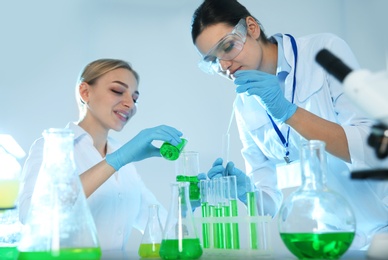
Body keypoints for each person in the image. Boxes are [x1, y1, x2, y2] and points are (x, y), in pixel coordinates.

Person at [191, 0, 388, 249]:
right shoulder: (244, 105)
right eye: (213, 61)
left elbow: (370, 147)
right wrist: (246, 192)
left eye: (228, 47)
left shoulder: (324, 51)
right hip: (333, 239)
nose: (225, 66)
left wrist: (288, 112)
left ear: (251, 28)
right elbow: (270, 202)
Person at [19, 59, 184, 250]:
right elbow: (31, 216)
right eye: (117, 91)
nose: (130, 104)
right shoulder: (50, 147)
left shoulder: (125, 158)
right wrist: (116, 161)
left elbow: (162, 226)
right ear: (85, 92)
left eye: (135, 98)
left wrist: (191, 198)